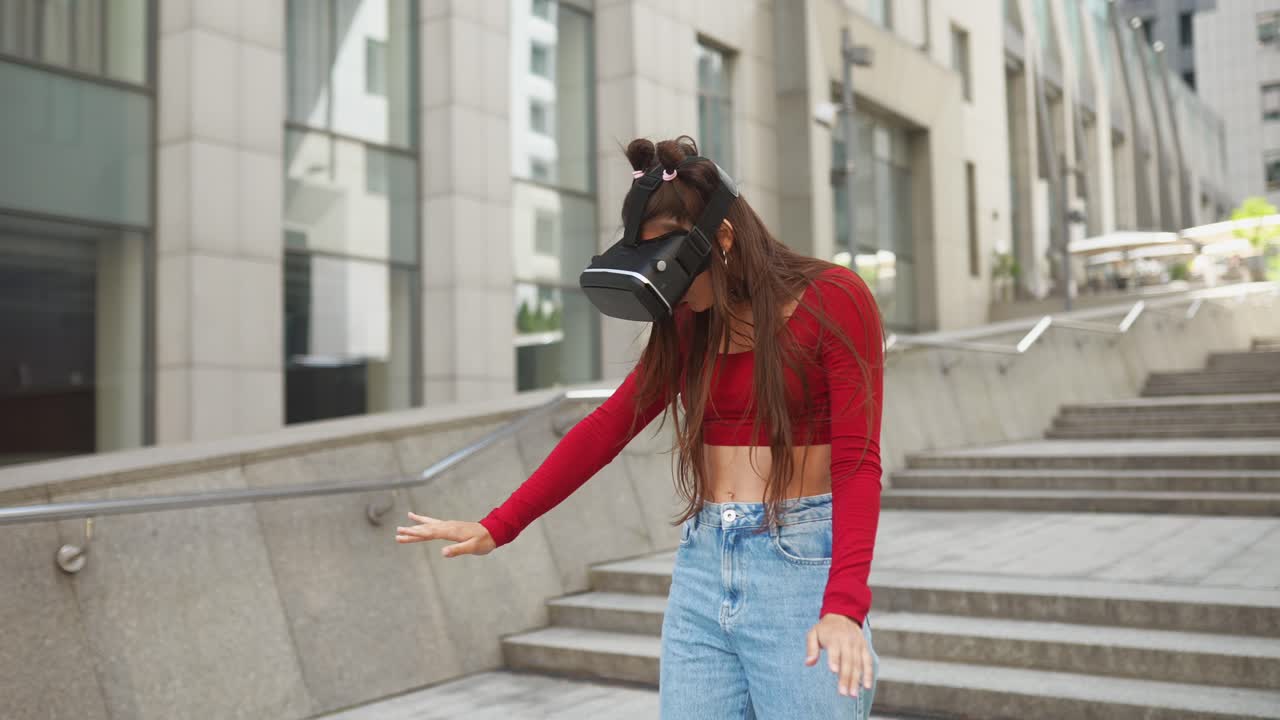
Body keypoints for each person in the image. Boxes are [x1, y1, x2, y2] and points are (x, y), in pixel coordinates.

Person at [395, 136, 886, 719]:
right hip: (704, 567)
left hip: (799, 567)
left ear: (721, 240)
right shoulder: (689, 325)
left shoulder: (834, 299)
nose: (668, 287)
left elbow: (858, 462)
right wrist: (500, 524)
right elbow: (607, 427)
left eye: (671, 262)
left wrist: (844, 606)